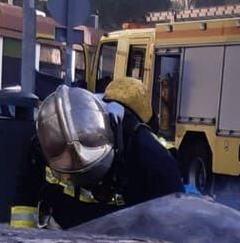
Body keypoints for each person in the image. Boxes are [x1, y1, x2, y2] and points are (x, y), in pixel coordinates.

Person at [10, 84, 183, 230]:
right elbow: (25, 198)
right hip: (62, 238)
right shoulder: (48, 140)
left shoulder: (153, 160)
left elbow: (173, 226)